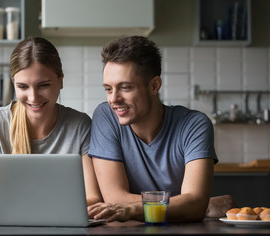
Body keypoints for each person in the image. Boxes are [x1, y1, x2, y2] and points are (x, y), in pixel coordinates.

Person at [87, 36, 236, 223]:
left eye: (125, 88)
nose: (114, 99)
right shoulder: (105, 116)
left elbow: (195, 204)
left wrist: (195, 205)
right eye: (108, 89)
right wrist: (185, 205)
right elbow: (115, 199)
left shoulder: (195, 125)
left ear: (154, 85)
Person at [0, 37, 102, 219]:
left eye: (43, 85)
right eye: (23, 87)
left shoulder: (80, 125)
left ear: (61, 80)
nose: (33, 97)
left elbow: (93, 199)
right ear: (14, 84)